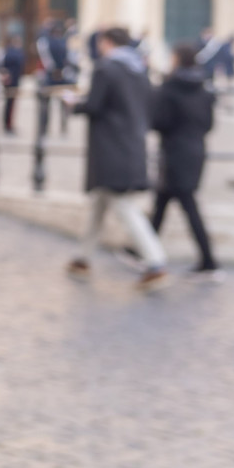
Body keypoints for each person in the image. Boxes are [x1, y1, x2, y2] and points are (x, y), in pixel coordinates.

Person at [65, 26, 168, 290]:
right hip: (132, 144)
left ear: (107, 42)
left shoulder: (106, 68)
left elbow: (94, 105)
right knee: (100, 203)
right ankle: (82, 259)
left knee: (123, 205)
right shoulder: (139, 69)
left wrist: (74, 104)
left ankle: (155, 262)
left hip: (110, 148)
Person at [150, 41, 220, 278]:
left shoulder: (170, 88)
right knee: (162, 202)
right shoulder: (204, 89)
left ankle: (209, 260)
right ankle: (145, 251)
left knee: (187, 205)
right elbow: (209, 125)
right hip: (196, 151)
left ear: (177, 60)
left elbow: (159, 121)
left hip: (174, 152)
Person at [0, 35, 25, 134]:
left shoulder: (6, 52)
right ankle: (8, 124)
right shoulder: (16, 53)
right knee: (10, 104)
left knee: (8, 103)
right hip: (13, 81)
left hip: (8, 81)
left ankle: (7, 123)